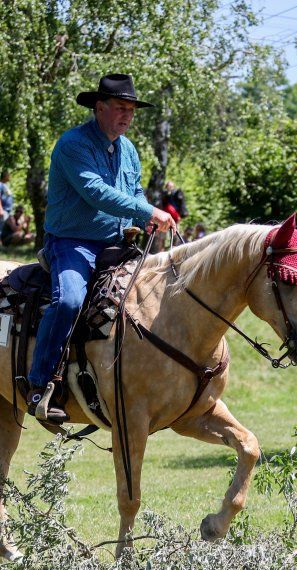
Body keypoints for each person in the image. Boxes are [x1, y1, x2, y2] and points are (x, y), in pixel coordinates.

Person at [26, 73, 176, 423]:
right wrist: (147, 210)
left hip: (116, 244)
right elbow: (95, 192)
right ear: (99, 108)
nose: (127, 115)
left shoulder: (129, 150)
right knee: (70, 301)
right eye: (121, 108)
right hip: (72, 243)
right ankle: (39, 383)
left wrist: (145, 213)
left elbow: (133, 191)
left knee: (155, 298)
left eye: (131, 110)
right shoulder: (72, 144)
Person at [0, 170, 14, 242]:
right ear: (5, 176)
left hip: (8, 210)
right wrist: (0, 209)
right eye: (8, 175)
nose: (10, 177)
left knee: (7, 227)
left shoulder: (6, 185)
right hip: (3, 209)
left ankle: (5, 242)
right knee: (1, 226)